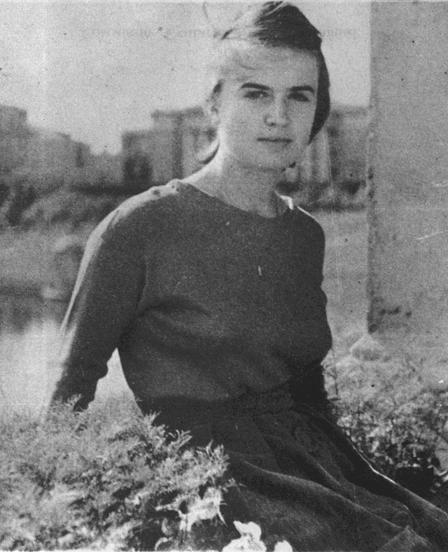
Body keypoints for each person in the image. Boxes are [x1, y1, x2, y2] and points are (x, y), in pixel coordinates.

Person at [50, 2, 448, 550]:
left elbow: (306, 390)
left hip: (314, 463)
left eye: (299, 96)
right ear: (214, 104)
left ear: (317, 112)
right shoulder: (138, 227)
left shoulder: (304, 234)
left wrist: (349, 477)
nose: (278, 116)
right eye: (256, 93)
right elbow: (70, 385)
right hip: (216, 474)